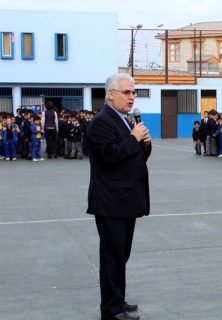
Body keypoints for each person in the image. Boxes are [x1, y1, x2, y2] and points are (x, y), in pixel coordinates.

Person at [87, 73, 151, 320]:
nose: (131, 97)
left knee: (121, 255)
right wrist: (133, 138)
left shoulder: (123, 120)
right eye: (126, 92)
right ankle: (111, 311)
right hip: (110, 201)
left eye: (133, 92)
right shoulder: (102, 122)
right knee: (112, 256)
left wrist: (143, 143)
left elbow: (135, 157)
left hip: (125, 199)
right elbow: (109, 156)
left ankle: (118, 300)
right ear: (111, 94)